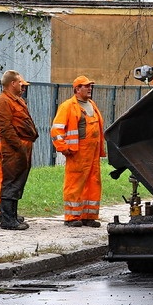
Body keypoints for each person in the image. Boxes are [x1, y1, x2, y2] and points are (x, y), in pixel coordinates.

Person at [51, 75, 106, 227]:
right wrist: (63, 147)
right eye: (86, 86)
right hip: (77, 153)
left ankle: (89, 215)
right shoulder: (68, 106)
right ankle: (72, 217)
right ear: (77, 89)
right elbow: (56, 130)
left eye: (90, 86)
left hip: (93, 153)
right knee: (74, 184)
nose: (89, 88)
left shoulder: (92, 105)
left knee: (93, 183)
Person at [0, 70, 38, 230]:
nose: (22, 85)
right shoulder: (3, 101)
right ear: (12, 83)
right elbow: (5, 128)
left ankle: (13, 215)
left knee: (18, 182)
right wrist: (19, 147)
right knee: (11, 182)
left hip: (23, 148)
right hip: (13, 149)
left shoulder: (17, 100)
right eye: (20, 82)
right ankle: (7, 220)